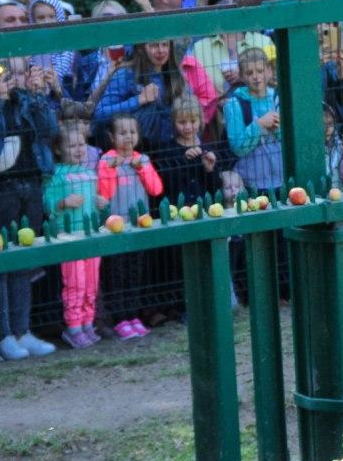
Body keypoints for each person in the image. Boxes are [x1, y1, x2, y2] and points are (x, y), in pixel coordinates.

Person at [0, 58, 58, 360]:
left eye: (10, 70)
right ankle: (3, 335)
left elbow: (49, 130)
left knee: (24, 261)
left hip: (29, 186)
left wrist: (38, 97)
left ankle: (23, 330)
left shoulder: (25, 97)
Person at [97, 115, 163, 339]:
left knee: (136, 271)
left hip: (139, 224)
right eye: (122, 133)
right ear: (112, 137)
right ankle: (119, 319)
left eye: (132, 132)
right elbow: (104, 195)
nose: (128, 137)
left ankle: (134, 316)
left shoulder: (142, 159)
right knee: (116, 273)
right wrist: (111, 170)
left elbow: (156, 189)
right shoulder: (106, 160)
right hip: (116, 226)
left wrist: (142, 169)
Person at [43, 121, 107, 348]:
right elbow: (47, 204)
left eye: (82, 144)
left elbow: (96, 205)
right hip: (69, 236)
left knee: (91, 282)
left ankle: (88, 323)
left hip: (90, 234)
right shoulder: (56, 176)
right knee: (75, 283)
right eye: (72, 146)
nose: (79, 149)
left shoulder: (90, 173)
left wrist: (102, 204)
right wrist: (62, 203)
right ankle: (73, 327)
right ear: (59, 149)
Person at [92, 41, 190, 156]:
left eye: (165, 45)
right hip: (136, 152)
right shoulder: (126, 74)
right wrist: (138, 100)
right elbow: (100, 113)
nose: (160, 50)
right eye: (154, 45)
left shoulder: (177, 76)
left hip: (172, 150)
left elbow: (191, 110)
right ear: (141, 48)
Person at [189, 0, 276, 93]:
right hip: (213, 108)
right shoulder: (199, 48)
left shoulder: (263, 41)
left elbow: (276, 80)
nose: (228, 12)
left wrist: (244, 76)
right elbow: (191, 90)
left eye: (232, 6)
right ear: (211, 11)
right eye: (222, 7)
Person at [223, 48, 283, 198]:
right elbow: (237, 147)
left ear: (269, 71)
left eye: (260, 71)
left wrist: (278, 128)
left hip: (283, 178)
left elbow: (290, 138)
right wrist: (259, 125)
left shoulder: (278, 97)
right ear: (242, 76)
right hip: (249, 183)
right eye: (250, 73)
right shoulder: (235, 104)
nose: (256, 77)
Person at [157, 95, 225, 205]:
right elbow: (165, 184)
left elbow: (216, 188)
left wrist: (210, 170)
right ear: (174, 122)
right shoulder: (167, 150)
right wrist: (183, 161)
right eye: (182, 122)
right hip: (178, 210)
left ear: (200, 120)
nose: (188, 127)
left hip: (204, 209)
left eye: (193, 121)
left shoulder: (208, 149)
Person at [27, 0, 76, 99]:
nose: (47, 22)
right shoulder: (27, 49)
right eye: (41, 17)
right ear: (33, 21)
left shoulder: (70, 50)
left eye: (51, 16)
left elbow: (78, 95)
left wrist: (57, 86)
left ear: (59, 17)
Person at [322, 103, 343, 189]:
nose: (327, 129)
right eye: (322, 125)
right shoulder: (311, 148)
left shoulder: (340, 146)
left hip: (338, 194)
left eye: (330, 124)